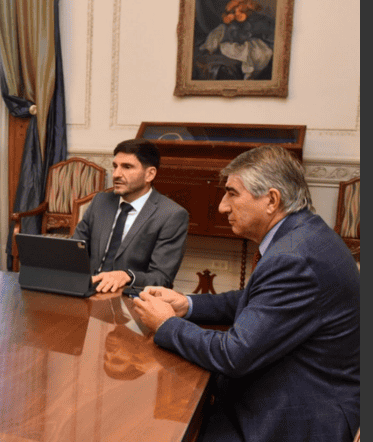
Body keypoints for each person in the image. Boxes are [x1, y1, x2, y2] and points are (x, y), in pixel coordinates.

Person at [132, 146, 360, 441]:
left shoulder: (293, 258)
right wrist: (186, 304)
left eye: (232, 194)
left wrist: (166, 324)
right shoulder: (303, 234)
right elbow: (257, 299)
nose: (222, 207)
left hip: (294, 417)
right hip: (288, 391)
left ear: (272, 200)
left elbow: (233, 355)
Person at [73, 138, 189, 293]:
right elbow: (74, 250)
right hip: (87, 289)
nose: (116, 174)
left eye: (127, 167)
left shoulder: (171, 215)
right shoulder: (100, 201)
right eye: (115, 166)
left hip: (128, 296)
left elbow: (162, 278)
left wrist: (127, 276)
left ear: (150, 174)